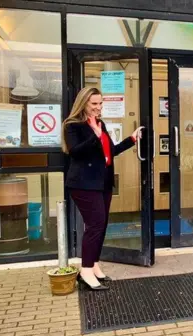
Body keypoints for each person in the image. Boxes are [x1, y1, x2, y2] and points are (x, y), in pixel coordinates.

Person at [62, 87, 142, 291]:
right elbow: (75, 152)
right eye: (94, 104)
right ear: (84, 104)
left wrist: (131, 139)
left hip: (102, 182)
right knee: (95, 224)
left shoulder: (100, 123)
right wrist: (94, 136)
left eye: (100, 103)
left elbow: (110, 151)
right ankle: (86, 270)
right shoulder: (73, 125)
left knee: (102, 224)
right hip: (83, 184)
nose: (98, 108)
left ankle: (94, 264)